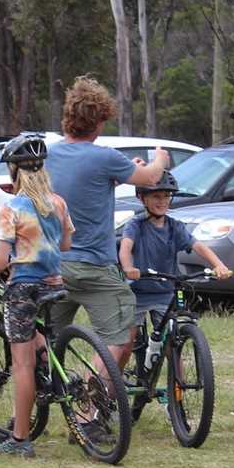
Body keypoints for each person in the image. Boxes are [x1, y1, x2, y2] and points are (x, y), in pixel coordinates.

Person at [44, 75, 169, 378]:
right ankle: (91, 405)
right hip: (93, 268)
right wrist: (160, 160)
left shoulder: (49, 154)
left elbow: (92, 177)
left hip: (51, 267)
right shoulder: (104, 157)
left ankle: (35, 407)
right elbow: (151, 178)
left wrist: (129, 169)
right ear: (99, 121)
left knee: (44, 340)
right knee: (123, 336)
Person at [0, 134, 74, 458]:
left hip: (23, 286)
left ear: (14, 172)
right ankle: (57, 376)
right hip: (54, 282)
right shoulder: (58, 203)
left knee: (21, 364)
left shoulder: (12, 207)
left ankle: (20, 438)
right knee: (36, 339)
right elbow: (65, 245)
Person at [119, 170, 232, 337]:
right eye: (156, 196)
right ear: (143, 198)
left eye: (166, 196)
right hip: (137, 292)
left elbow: (199, 246)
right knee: (126, 341)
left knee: (172, 337)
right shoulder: (136, 225)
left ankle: (175, 362)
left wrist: (219, 265)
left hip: (165, 293)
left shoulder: (175, 227)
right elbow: (125, 248)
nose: (163, 201)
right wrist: (128, 268)